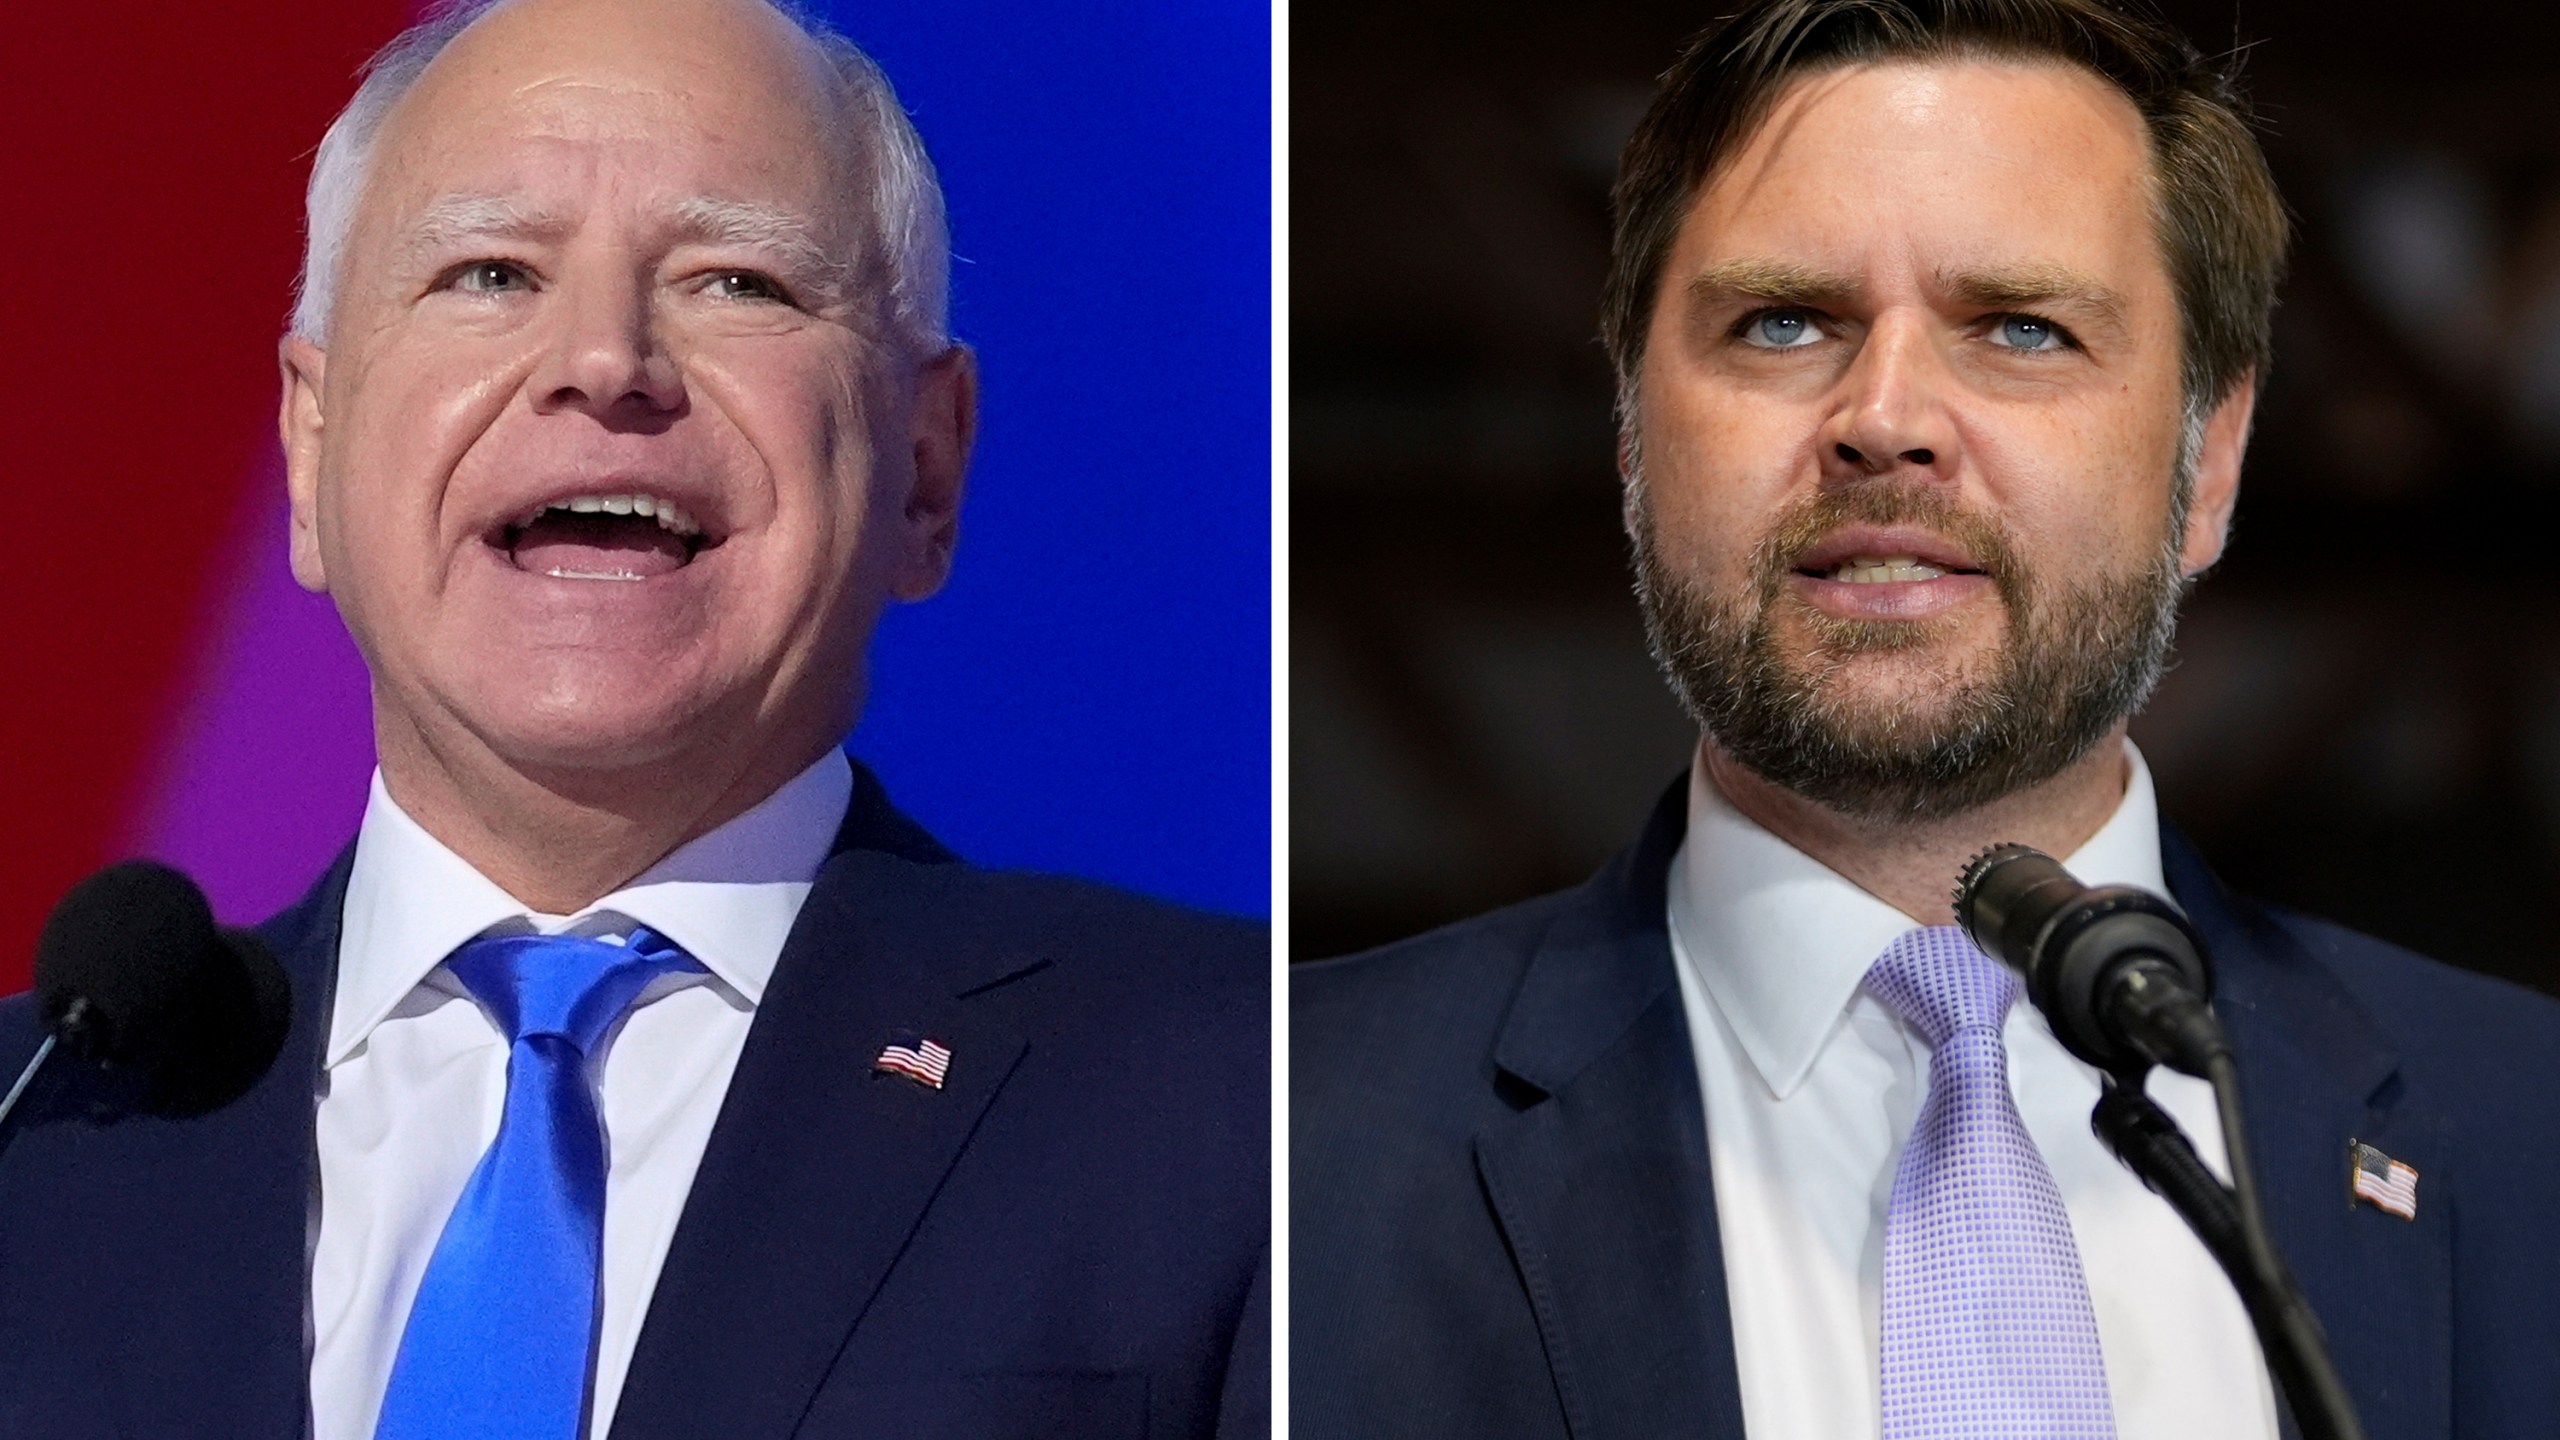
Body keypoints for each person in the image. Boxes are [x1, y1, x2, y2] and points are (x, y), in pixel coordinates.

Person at [1293, 2, 2560, 1437]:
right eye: (1783, 322)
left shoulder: (2532, 1138)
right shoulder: (1279, 1147)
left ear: (2209, 462)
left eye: (2021, 327)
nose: (1885, 414)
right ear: (1635, 439)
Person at [0, 2, 1267, 1438]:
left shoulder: (1244, 1098)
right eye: (490, 272)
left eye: (736, 283)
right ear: (311, 445)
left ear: (924, 467)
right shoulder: (33, 1134)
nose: (604, 360)